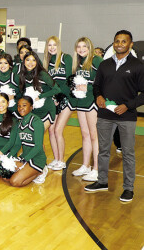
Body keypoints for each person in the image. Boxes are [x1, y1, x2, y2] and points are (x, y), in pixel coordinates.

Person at [85, 30, 144, 202]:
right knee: (103, 150)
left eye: (123, 41)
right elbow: (96, 87)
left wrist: (128, 106)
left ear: (130, 44)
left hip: (127, 116)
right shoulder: (105, 65)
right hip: (104, 115)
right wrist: (99, 96)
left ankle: (128, 189)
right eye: (117, 41)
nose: (119, 44)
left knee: (128, 153)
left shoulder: (138, 66)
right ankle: (102, 181)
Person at [70, 37, 103, 182]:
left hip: (92, 102)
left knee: (94, 135)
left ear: (90, 47)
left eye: (84, 46)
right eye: (79, 46)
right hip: (81, 101)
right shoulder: (78, 63)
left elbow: (104, 82)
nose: (81, 49)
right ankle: (86, 165)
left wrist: (88, 87)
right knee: (85, 134)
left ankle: (97, 169)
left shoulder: (96, 61)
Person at [0, 96, 48, 186]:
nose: (21, 108)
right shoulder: (20, 123)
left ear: (31, 107)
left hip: (36, 159)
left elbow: (38, 146)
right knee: (5, 177)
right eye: (19, 106)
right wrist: (7, 158)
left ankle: (40, 171)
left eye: (24, 105)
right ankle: (30, 172)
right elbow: (17, 145)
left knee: (14, 182)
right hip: (25, 157)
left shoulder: (36, 122)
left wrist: (24, 160)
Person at [44, 36, 73, 171]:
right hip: (53, 100)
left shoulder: (66, 58)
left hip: (66, 99)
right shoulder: (47, 62)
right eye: (49, 45)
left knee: (57, 130)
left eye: (54, 45)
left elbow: (68, 81)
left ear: (59, 45)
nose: (52, 47)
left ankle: (62, 160)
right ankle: (56, 159)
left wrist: (59, 97)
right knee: (51, 130)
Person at [17, 51, 60, 129]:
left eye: (34, 60)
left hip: (46, 109)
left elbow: (57, 89)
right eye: (28, 60)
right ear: (24, 62)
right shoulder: (22, 75)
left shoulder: (42, 74)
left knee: (38, 135)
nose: (31, 62)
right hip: (32, 110)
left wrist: (41, 96)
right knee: (31, 138)